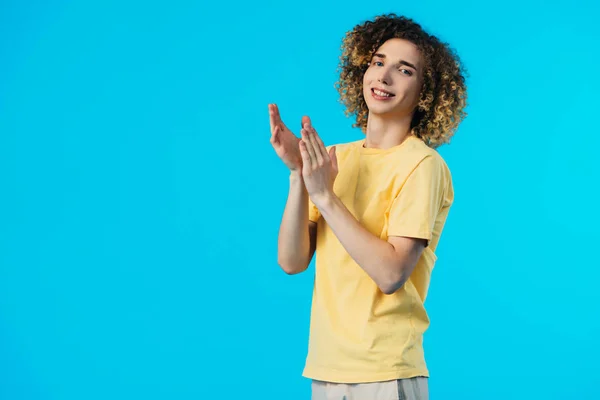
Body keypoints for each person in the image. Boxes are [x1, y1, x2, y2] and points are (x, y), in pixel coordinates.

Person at [269, 13, 468, 400]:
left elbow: (391, 273)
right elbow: (291, 262)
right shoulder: (334, 157)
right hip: (327, 367)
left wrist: (325, 195)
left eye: (404, 70)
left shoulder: (423, 165)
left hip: (386, 370)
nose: (384, 76)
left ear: (427, 91)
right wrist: (299, 176)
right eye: (378, 62)